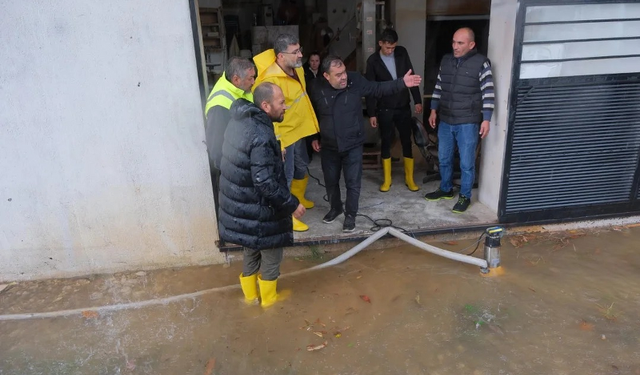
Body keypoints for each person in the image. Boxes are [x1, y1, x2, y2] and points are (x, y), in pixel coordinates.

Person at [308, 56, 422, 232]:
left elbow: (378, 88)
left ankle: (350, 215)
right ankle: (335, 208)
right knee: (330, 181)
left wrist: (401, 83)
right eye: (338, 75)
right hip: (329, 145)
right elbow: (310, 112)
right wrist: (314, 136)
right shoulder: (316, 87)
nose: (344, 77)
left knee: (353, 182)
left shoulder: (355, 80)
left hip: (353, 143)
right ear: (326, 76)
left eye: (344, 72)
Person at [218, 82, 306, 308]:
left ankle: (249, 299)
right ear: (265, 105)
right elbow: (264, 182)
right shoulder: (262, 135)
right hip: (260, 209)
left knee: (251, 250)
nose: (285, 107)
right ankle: (269, 302)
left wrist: (275, 151)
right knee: (271, 255)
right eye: (281, 102)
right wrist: (291, 204)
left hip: (243, 206)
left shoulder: (240, 121)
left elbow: (247, 160)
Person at [254, 34, 320, 232]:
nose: (301, 55)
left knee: (302, 167)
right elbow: (267, 115)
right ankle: (288, 215)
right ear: (281, 56)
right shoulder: (270, 81)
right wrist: (278, 142)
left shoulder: (295, 69)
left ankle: (299, 198)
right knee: (286, 175)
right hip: (284, 136)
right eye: (295, 52)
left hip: (298, 130)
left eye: (300, 50)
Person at [424, 27, 494, 213]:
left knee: (466, 163)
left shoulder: (481, 63)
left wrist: (486, 119)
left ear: (471, 44)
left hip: (467, 122)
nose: (455, 46)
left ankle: (465, 196)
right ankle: (446, 189)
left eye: (460, 43)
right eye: (454, 42)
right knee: (444, 158)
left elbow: (488, 93)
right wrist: (432, 109)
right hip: (446, 119)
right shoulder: (447, 60)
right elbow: (439, 86)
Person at [365, 29, 423, 193]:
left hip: (403, 105)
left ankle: (409, 178)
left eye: (393, 47)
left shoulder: (402, 52)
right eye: (388, 48)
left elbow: (412, 77)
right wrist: (372, 113)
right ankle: (387, 179)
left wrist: (417, 100)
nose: (391, 51)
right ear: (380, 43)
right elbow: (370, 89)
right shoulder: (373, 61)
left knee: (406, 140)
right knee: (386, 141)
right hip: (384, 108)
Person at [204, 57, 256, 216]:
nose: (254, 82)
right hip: (232, 167)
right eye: (250, 78)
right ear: (236, 79)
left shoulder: (239, 89)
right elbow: (216, 142)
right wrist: (228, 170)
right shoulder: (220, 104)